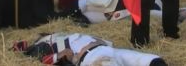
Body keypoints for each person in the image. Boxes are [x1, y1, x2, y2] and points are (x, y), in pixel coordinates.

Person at [20, 33, 167, 66]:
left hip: (108, 50)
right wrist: (63, 56)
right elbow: (43, 58)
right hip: (91, 58)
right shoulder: (49, 43)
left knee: (150, 60)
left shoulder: (69, 35)